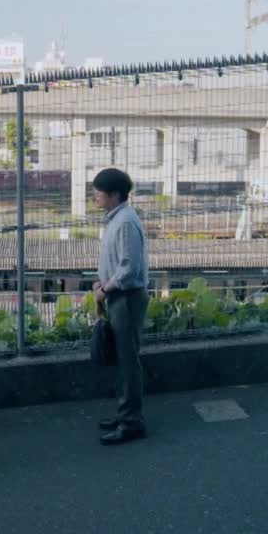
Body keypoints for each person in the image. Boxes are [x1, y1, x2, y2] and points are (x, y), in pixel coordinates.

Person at [90, 168, 150, 445]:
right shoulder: (117, 219)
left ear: (114, 194)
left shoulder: (125, 222)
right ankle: (125, 414)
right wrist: (100, 283)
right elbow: (117, 262)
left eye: (98, 192)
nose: (95, 196)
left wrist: (105, 289)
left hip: (126, 298)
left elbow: (129, 268)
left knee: (128, 362)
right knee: (122, 359)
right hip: (117, 297)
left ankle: (131, 422)